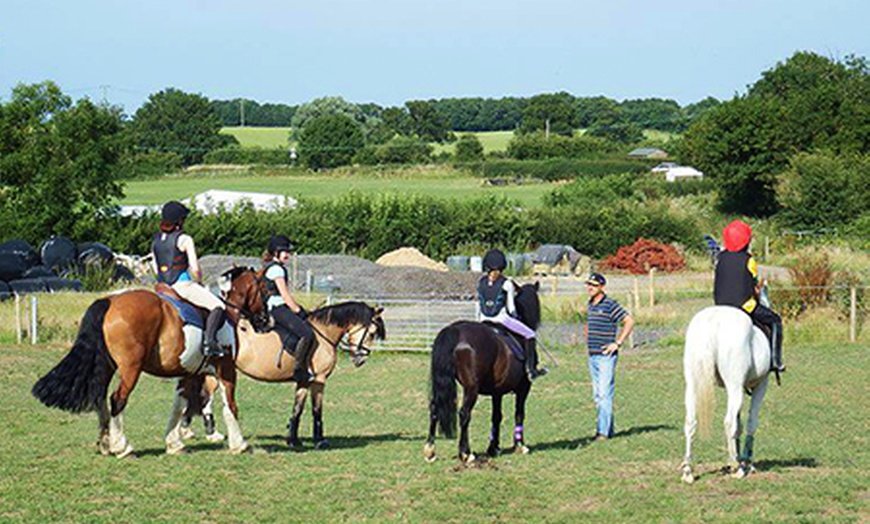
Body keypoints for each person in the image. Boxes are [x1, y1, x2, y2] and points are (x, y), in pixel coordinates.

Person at [152, 201, 227, 357]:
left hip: (162, 286)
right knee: (218, 305)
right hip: (182, 285)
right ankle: (210, 343)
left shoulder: (156, 240)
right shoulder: (185, 239)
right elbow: (195, 268)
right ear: (179, 220)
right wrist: (198, 282)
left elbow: (155, 266)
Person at [714, 219, 786, 373]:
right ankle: (775, 360)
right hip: (745, 306)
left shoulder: (719, 258)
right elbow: (754, 286)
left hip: (720, 306)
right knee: (775, 321)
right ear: (746, 241)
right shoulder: (749, 260)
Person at [476, 249, 547, 381]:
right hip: (501, 319)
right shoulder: (506, 283)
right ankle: (531, 370)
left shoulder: (481, 282)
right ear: (503, 266)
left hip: (483, 319)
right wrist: (517, 318)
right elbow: (511, 308)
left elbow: (479, 304)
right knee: (530, 334)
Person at [584, 272, 634, 441]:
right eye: (588, 285)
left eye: (594, 285)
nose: (590, 288)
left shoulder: (610, 304)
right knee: (598, 395)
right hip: (592, 355)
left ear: (602, 287)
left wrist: (617, 343)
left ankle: (602, 433)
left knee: (605, 394)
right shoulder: (590, 304)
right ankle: (608, 429)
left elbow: (628, 321)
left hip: (606, 356)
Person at [262, 234, 316, 383]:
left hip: (278, 307)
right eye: (285, 251)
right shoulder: (277, 270)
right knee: (307, 334)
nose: (288, 255)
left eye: (288, 252)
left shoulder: (275, 268)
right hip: (278, 308)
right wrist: (299, 311)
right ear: (275, 252)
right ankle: (299, 371)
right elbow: (285, 295)